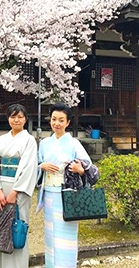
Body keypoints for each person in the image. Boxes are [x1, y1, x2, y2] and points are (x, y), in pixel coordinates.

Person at [36, 102, 100, 268]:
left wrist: (80, 170)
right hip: (49, 193)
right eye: (54, 119)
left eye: (61, 120)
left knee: (66, 236)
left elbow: (90, 168)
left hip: (67, 194)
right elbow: (36, 165)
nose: (57, 123)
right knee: (50, 235)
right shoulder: (44, 144)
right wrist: (41, 166)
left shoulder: (73, 144)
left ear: (68, 123)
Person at [0, 104, 38, 268]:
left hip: (19, 189)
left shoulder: (29, 140)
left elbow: (29, 167)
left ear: (25, 119)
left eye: (20, 117)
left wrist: (15, 191)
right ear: (8, 118)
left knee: (17, 226)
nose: (16, 120)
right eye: (13, 116)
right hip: (1, 187)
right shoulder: (2, 139)